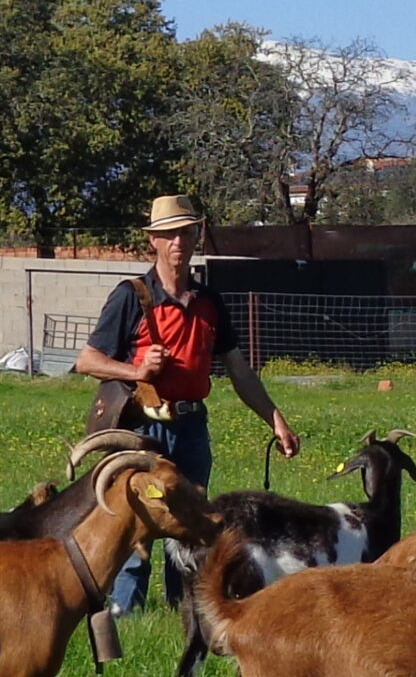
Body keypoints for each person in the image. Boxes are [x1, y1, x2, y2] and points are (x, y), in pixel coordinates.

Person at [74, 193, 302, 613]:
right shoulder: (132, 296)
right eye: (170, 235)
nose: (179, 242)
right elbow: (88, 360)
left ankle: (183, 615)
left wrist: (276, 420)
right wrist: (136, 371)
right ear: (154, 242)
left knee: (191, 524)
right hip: (142, 430)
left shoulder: (209, 302)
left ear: (197, 238)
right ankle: (129, 614)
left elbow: (239, 370)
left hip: (191, 430)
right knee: (136, 523)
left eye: (186, 233)